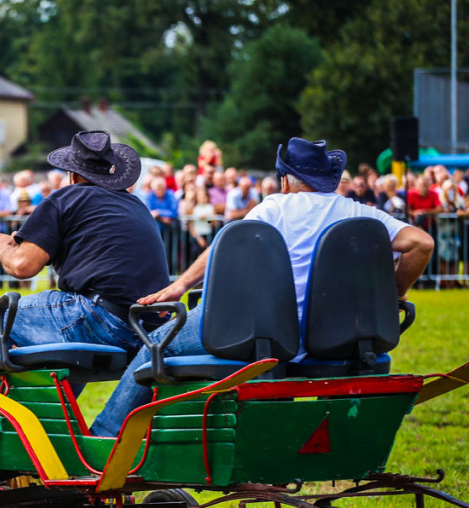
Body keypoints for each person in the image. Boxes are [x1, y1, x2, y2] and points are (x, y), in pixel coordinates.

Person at [90, 138, 435, 438]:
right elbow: (421, 243)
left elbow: (225, 244)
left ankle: (106, 439)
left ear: (285, 180)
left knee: (155, 346)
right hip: (337, 340)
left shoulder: (276, 207)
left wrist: (180, 284)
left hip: (266, 333)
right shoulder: (358, 212)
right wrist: (397, 291)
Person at [0, 130, 170, 446]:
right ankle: (44, 435)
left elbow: (24, 266)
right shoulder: (134, 205)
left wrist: (2, 249)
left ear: (72, 174)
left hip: (100, 318)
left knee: (0, 313)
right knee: (56, 339)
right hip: (145, 331)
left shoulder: (66, 198)